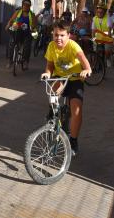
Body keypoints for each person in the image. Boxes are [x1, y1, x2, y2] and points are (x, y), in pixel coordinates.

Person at [41, 19, 92, 155]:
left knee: (76, 111)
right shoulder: (51, 46)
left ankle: (73, 141)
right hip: (60, 77)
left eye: (62, 35)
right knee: (52, 92)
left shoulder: (73, 46)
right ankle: (53, 113)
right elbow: (50, 64)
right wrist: (47, 73)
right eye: (56, 35)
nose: (58, 38)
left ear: (68, 35)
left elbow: (84, 61)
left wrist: (87, 70)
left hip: (75, 79)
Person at [5, 0, 37, 70]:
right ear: (22, 5)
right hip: (18, 32)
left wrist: (33, 30)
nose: (26, 6)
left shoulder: (32, 15)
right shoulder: (18, 12)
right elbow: (11, 20)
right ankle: (10, 60)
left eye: (28, 5)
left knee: (27, 46)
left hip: (27, 33)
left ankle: (25, 61)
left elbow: (34, 25)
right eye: (25, 5)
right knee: (11, 42)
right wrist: (8, 26)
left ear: (30, 6)